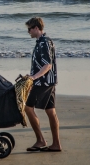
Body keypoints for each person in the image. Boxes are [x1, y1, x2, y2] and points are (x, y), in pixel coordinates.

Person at [24, 17, 62, 152]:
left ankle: (41, 140)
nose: (28, 31)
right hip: (47, 81)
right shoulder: (41, 42)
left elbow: (47, 65)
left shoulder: (44, 43)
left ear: (36, 28)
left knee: (28, 108)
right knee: (50, 111)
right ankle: (56, 144)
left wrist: (34, 77)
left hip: (43, 82)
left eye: (29, 29)